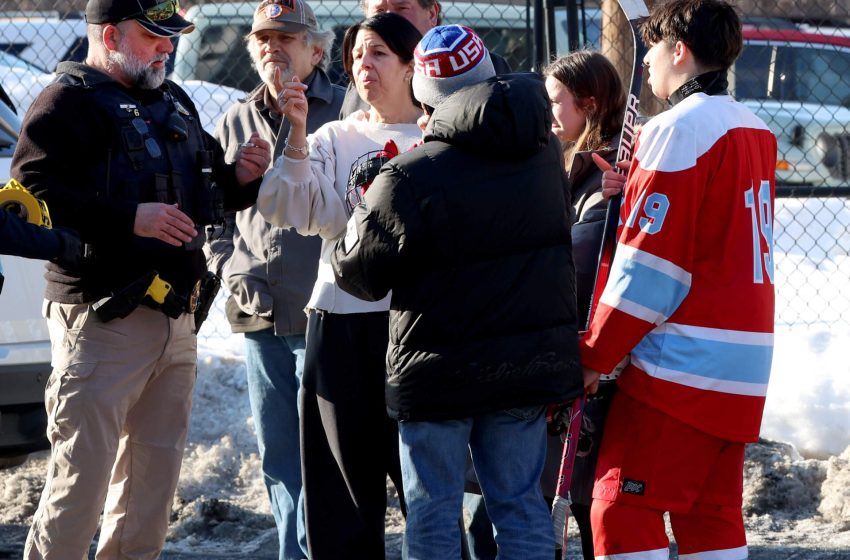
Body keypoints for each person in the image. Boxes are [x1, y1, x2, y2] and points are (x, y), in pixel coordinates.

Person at [11, 0, 271, 557]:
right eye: (154, 36)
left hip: (176, 319)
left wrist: (240, 178)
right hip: (104, 317)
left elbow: (203, 191)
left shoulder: (172, 101)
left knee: (150, 490)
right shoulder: (67, 103)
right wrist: (127, 220)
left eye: (171, 35)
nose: (167, 47)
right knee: (80, 484)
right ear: (110, 35)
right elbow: (32, 195)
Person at [331, 24, 584, 560]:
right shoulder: (542, 153)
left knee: (432, 511)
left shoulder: (408, 175)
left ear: (425, 95)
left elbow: (357, 274)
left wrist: (366, 199)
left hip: (436, 369)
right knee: (519, 505)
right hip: (526, 362)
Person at [579, 0, 777, 557]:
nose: (645, 63)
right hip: (743, 362)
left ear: (679, 51)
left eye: (653, 49)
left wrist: (594, 353)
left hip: (683, 364)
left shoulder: (676, 128)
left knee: (620, 508)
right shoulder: (754, 128)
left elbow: (653, 271)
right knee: (711, 518)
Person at [255, 12, 422, 559]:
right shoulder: (336, 136)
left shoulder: (440, 135)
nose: (363, 66)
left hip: (420, 326)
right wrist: (298, 136)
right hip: (343, 322)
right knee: (342, 494)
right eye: (355, 56)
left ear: (410, 64)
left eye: (377, 54)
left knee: (428, 486)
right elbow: (293, 208)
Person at [204, 1, 344, 558]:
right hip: (259, 312)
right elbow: (210, 209)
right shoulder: (233, 120)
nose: (272, 46)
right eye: (262, 38)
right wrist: (226, 265)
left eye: (287, 37)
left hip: (328, 313)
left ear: (316, 50)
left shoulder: (347, 110)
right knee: (281, 459)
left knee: (330, 459)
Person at [339, 0, 512, 117]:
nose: (389, 19)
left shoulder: (477, 66)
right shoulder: (361, 85)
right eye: (379, 11)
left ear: (431, 14)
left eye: (402, 8)